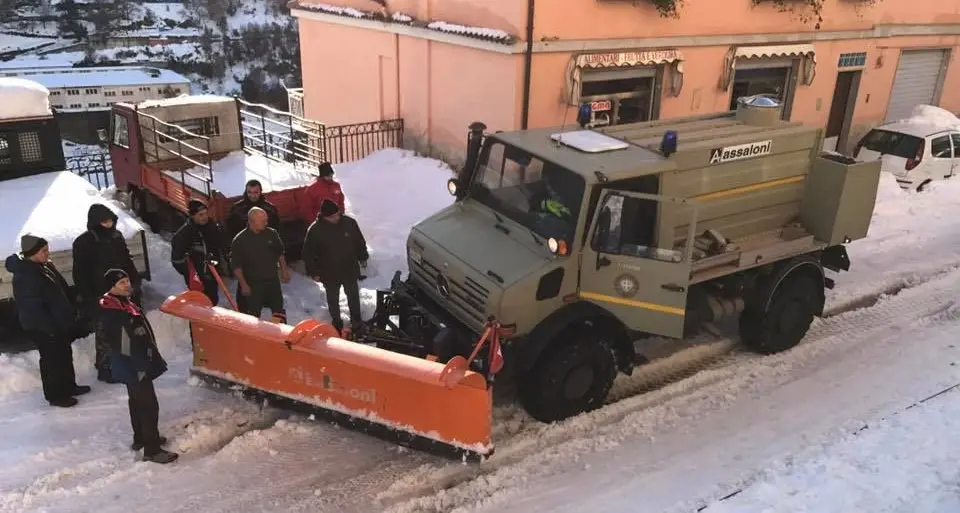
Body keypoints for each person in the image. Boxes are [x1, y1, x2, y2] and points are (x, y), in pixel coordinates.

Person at [97, 268, 178, 464]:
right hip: (133, 365)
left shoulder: (121, 304)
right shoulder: (114, 311)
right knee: (148, 405)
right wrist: (140, 365)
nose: (127, 285)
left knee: (136, 401)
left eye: (127, 281)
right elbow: (124, 344)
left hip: (132, 364)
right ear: (112, 287)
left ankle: (140, 438)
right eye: (122, 283)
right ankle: (152, 449)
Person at [4, 234, 90, 408]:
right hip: (43, 326)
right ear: (32, 253)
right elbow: (32, 308)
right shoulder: (25, 275)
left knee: (64, 354)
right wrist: (49, 327)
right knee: (51, 360)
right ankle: (56, 396)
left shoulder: (44, 266)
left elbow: (61, 288)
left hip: (57, 322)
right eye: (43, 251)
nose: (47, 253)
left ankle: (68, 386)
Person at [72, 203, 143, 384]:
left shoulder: (116, 237)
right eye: (105, 221)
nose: (109, 224)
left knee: (125, 328)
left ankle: (125, 363)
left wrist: (134, 283)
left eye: (111, 220)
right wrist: (89, 297)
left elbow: (127, 261)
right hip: (100, 294)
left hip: (122, 291)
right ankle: (105, 368)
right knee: (105, 332)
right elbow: (80, 273)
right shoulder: (84, 243)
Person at [302, 199, 369, 334]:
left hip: (349, 268)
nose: (336, 218)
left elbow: (359, 241)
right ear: (325, 216)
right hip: (329, 272)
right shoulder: (315, 230)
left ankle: (357, 321)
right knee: (333, 298)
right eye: (332, 217)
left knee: (353, 295)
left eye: (338, 214)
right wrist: (313, 271)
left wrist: (363, 257)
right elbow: (308, 253)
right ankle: (336, 322)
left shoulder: (349, 223)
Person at [230, 207, 291, 322]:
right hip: (253, 284)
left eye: (266, 220)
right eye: (263, 221)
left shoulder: (271, 233)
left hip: (272, 281)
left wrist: (284, 271)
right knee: (253, 315)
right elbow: (236, 265)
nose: (266, 223)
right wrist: (243, 284)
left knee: (278, 310)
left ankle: (280, 334)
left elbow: (280, 253)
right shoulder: (240, 240)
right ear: (252, 221)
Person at [171, 199, 226, 306]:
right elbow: (176, 260)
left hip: (212, 273)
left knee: (212, 301)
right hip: (197, 279)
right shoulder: (183, 235)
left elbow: (220, 245)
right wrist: (192, 271)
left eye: (206, 213)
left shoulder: (211, 226)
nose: (205, 217)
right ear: (192, 216)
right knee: (199, 304)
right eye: (200, 215)